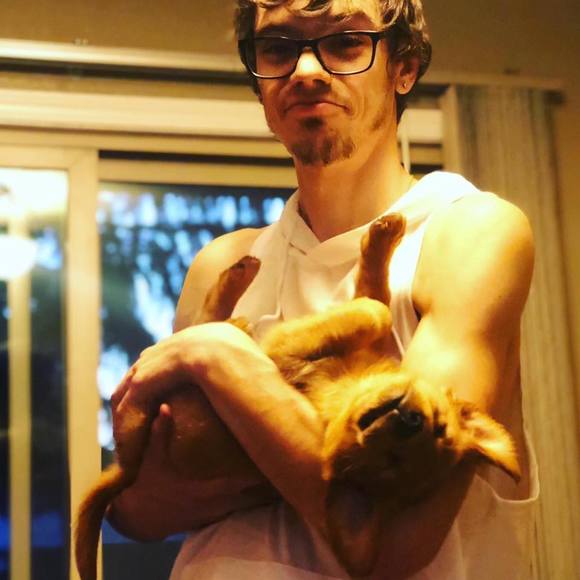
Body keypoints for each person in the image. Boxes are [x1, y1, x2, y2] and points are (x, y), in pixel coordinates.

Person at [108, 0, 538, 578]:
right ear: (259, 83)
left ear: (403, 68)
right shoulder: (223, 263)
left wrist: (219, 360)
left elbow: (391, 543)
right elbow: (135, 509)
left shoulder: (468, 231)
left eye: (345, 42)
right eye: (278, 48)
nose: (306, 70)